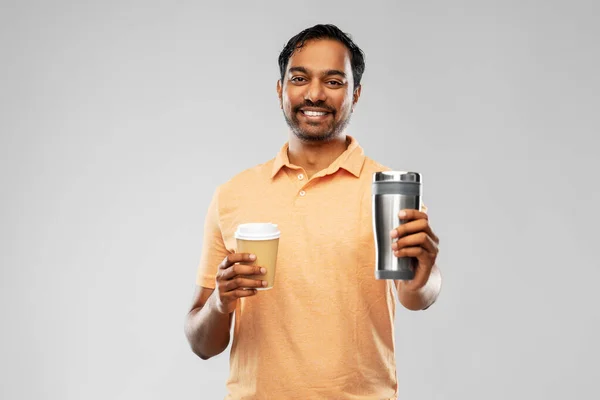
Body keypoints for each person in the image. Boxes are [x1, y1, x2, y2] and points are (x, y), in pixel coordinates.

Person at [184, 24, 441, 400]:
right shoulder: (233, 194)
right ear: (280, 90)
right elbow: (201, 343)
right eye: (300, 78)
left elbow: (416, 297)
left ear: (355, 94)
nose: (315, 94)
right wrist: (221, 302)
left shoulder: (388, 190)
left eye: (334, 81)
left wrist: (426, 273)